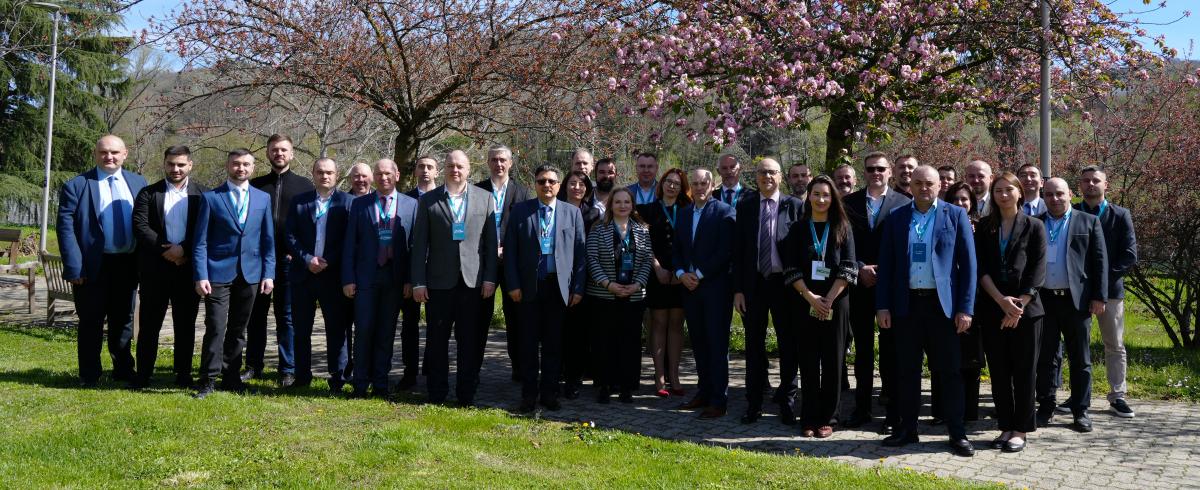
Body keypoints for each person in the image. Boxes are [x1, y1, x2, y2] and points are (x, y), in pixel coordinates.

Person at [876, 165, 977, 457]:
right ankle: (907, 429)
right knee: (906, 372)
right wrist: (883, 305)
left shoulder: (955, 215)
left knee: (949, 372)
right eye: (918, 183)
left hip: (942, 307)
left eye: (929, 183)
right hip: (906, 305)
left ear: (938, 186)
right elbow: (887, 267)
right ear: (909, 185)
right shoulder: (896, 218)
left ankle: (957, 434)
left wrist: (965, 308)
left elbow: (969, 267)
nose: (923, 188)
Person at [57, 135, 148, 387]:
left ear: (125, 154)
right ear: (95, 154)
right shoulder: (77, 185)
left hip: (127, 264)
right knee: (90, 322)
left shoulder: (139, 183)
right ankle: (89, 374)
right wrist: (74, 266)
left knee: (124, 321)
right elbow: (66, 230)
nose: (109, 157)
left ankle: (123, 369)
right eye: (104, 152)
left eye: (115, 152)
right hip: (91, 266)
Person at [411, 150, 499, 406]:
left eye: (460, 166)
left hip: (473, 284)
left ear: (469, 169)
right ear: (444, 169)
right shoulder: (428, 200)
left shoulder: (485, 199)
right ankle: (437, 392)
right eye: (450, 165)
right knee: (437, 341)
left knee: (469, 342)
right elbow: (419, 246)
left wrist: (490, 278)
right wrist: (418, 281)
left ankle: (466, 393)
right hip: (438, 283)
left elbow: (490, 244)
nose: (455, 170)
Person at [192, 148, 276, 398]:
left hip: (250, 273)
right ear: (229, 166)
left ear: (253, 168)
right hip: (217, 273)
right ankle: (208, 378)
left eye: (246, 164)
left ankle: (231, 377)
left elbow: (268, 240)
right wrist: (201, 274)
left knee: (239, 328)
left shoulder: (262, 198)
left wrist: (268, 273)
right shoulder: (211, 198)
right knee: (216, 326)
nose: (241, 168)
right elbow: (200, 242)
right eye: (236, 164)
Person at [505, 165, 587, 412]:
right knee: (528, 344)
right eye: (541, 181)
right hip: (529, 286)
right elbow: (510, 252)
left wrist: (578, 288)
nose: (547, 185)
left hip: (558, 287)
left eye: (552, 181)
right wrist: (513, 284)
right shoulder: (520, 211)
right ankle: (528, 395)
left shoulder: (571, 213)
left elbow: (580, 255)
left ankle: (549, 394)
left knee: (554, 344)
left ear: (559, 185)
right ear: (535, 184)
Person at [975, 172, 1047, 453]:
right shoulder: (985, 227)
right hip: (994, 309)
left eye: (1008, 190)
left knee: (1025, 371)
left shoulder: (1035, 226)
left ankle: (1022, 429)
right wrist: (1001, 302)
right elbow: (981, 270)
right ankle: (1005, 426)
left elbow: (1037, 270)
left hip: (1027, 313)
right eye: (998, 191)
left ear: (1019, 192)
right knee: (1000, 372)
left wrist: (1018, 306)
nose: (1003, 195)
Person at [732, 158, 805, 425]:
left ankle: (787, 402)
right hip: (754, 286)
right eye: (762, 172)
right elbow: (738, 251)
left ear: (780, 177)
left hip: (785, 285)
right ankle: (753, 404)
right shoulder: (746, 205)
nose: (767, 177)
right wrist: (738, 290)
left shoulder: (794, 205)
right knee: (754, 346)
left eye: (772, 172)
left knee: (788, 345)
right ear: (756, 177)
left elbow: (801, 249)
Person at [841, 152, 911, 431]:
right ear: (864, 171)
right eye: (870, 169)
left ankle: (892, 413)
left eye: (881, 169)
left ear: (890, 172)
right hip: (858, 285)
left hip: (890, 285)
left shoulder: (904, 202)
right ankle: (861, 408)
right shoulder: (848, 203)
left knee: (890, 352)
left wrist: (880, 269)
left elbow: (905, 246)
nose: (876, 173)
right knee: (862, 353)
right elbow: (841, 242)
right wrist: (859, 267)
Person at [785, 175, 856, 438]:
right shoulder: (798, 229)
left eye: (826, 195)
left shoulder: (843, 228)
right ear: (809, 196)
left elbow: (849, 267)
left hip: (836, 303)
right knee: (808, 360)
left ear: (833, 198)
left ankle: (829, 417)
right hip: (805, 302)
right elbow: (791, 268)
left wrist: (829, 299)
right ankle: (809, 417)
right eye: (816, 194)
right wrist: (811, 298)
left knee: (833, 360)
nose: (821, 199)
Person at [1035, 177, 1107, 433]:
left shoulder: (1088, 221)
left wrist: (1099, 296)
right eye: (1049, 194)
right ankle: (1045, 406)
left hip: (1076, 303)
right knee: (1045, 358)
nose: (1054, 199)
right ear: (1043, 196)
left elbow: (1099, 262)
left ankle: (1081, 410)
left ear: (1070, 194)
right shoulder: (1036, 223)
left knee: (1081, 359)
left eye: (1059, 194)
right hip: (1044, 301)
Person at [131, 145, 206, 389]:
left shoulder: (203, 195)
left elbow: (204, 229)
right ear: (164, 164)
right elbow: (141, 227)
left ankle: (183, 375)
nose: (176, 169)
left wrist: (183, 249)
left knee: (185, 325)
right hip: (155, 269)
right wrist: (167, 251)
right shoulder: (148, 193)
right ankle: (143, 374)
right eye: (171, 164)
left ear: (190, 165)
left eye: (181, 164)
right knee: (150, 325)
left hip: (187, 270)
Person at [341, 159, 417, 398]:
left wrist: (409, 280)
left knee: (386, 332)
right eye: (379, 174)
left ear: (397, 174)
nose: (383, 177)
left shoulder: (411, 205)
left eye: (388, 173)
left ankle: (382, 385)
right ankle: (361, 384)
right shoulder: (360, 205)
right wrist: (348, 278)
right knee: (363, 331)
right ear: (374, 177)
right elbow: (350, 245)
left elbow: (414, 247)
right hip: (366, 277)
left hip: (395, 279)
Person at [245, 134, 315, 387]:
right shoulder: (255, 185)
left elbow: (310, 226)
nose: (279, 154)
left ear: (292, 153)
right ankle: (253, 365)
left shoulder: (305, 186)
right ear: (267, 153)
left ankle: (288, 369)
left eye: (284, 150)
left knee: (287, 316)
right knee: (255, 315)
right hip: (259, 260)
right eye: (274, 150)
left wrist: (297, 252)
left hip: (290, 261)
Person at [1074, 165, 1138, 418]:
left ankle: (1117, 396)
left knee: (1114, 344)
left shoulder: (1120, 215)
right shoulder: (1073, 212)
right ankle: (1079, 397)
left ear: (1105, 185)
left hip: (1110, 292)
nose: (1091, 185)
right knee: (1078, 346)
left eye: (1095, 181)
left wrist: (1100, 283)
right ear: (1079, 186)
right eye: (1086, 181)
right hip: (1076, 291)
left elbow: (1129, 256)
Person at [286, 158, 355, 392]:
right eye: (319, 172)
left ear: (337, 175)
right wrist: (307, 259)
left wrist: (327, 261)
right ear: (313, 174)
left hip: (332, 276)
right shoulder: (299, 202)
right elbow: (290, 236)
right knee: (301, 329)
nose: (324, 176)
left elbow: (349, 239)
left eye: (329, 172)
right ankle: (302, 375)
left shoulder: (348, 203)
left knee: (336, 329)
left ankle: (338, 377)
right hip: (302, 275)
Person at [673, 168, 736, 419]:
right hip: (689, 289)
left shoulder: (724, 212)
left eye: (704, 183)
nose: (700, 187)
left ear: (712, 186)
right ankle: (704, 391)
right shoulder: (684, 213)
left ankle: (719, 400)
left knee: (717, 345)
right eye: (696, 183)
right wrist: (680, 273)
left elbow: (725, 251)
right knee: (698, 343)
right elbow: (676, 248)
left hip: (715, 290)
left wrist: (698, 274)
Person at [585, 187, 653, 403]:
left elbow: (646, 259)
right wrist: (608, 284)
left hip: (633, 296)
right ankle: (604, 385)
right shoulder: (598, 228)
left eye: (627, 202)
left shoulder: (642, 229)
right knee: (604, 341)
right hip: (604, 295)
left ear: (632, 205)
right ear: (610, 205)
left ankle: (627, 387)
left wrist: (638, 284)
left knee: (630, 343)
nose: (622, 206)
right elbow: (592, 259)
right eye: (618, 202)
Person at [475, 146, 531, 383]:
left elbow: (526, 229)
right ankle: (473, 368)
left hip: (512, 263)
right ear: (488, 162)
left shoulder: (523, 192)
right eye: (494, 160)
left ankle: (518, 367)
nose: (499, 164)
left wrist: (508, 249)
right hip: (483, 262)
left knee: (516, 318)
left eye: (503, 160)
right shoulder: (477, 190)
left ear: (511, 163)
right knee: (478, 318)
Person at [931, 180, 985, 423]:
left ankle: (969, 411)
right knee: (942, 358)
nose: (961, 203)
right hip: (946, 301)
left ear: (972, 203)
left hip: (973, 300)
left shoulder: (984, 228)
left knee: (971, 360)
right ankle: (941, 411)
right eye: (956, 200)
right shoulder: (941, 224)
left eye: (965, 199)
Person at [637, 168, 691, 397]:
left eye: (676, 184)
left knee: (676, 324)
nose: (671, 186)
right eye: (668, 182)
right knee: (658, 323)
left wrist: (682, 274)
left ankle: (675, 376)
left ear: (682, 187)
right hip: (656, 274)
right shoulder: (647, 210)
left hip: (681, 276)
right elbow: (643, 242)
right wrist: (657, 267)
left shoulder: (688, 210)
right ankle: (659, 378)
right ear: (662, 184)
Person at [397, 156, 439, 389]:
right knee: (410, 325)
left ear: (437, 171)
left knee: (436, 324)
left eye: (430, 167)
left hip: (438, 271)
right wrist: (408, 277)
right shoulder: (406, 200)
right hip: (412, 272)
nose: (425, 171)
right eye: (421, 167)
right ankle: (409, 371)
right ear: (414, 171)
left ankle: (432, 368)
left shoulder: (444, 198)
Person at [560, 170, 602, 398]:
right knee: (556, 331)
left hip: (582, 279)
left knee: (578, 334)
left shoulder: (594, 214)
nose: (577, 187)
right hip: (556, 278)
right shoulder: (555, 208)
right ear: (565, 185)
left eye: (582, 184)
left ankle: (573, 378)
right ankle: (556, 373)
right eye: (573, 183)